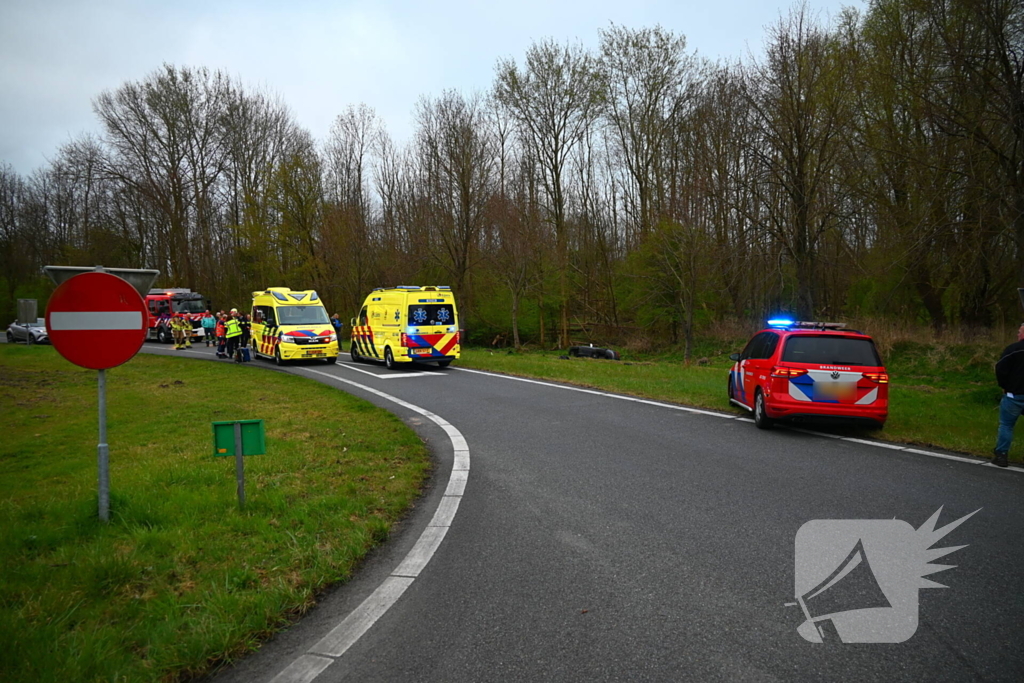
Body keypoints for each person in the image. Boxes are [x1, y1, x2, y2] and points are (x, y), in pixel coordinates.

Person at [994, 322, 1024, 467]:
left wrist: (1004, 386)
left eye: (1019, 332)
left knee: (1006, 425)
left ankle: (1002, 455)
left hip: (1014, 395)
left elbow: (1000, 368)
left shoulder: (1013, 350)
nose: (1017, 335)